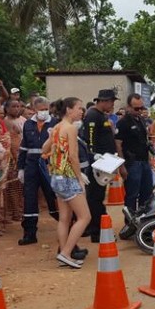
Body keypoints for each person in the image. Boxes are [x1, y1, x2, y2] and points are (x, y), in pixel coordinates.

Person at [43, 97, 91, 268]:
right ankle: (65, 252)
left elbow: (44, 149)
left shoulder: (56, 127)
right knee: (84, 217)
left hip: (56, 177)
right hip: (68, 177)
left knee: (64, 218)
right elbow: (73, 156)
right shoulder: (70, 128)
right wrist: (79, 177)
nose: (81, 111)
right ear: (69, 110)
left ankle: (65, 254)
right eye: (79, 108)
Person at [18, 96, 60, 245]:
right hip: (31, 166)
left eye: (46, 109)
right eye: (41, 109)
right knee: (29, 198)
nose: (43, 112)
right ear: (34, 109)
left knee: (53, 196)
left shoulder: (55, 123)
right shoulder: (28, 124)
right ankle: (29, 233)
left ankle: (67, 223)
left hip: (49, 166)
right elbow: (23, 148)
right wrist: (20, 168)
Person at [82, 89, 117, 242]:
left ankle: (96, 227)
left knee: (99, 196)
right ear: (104, 101)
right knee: (95, 197)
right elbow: (89, 140)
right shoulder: (92, 115)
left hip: (106, 161)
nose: (113, 104)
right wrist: (94, 156)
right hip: (97, 163)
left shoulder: (102, 115)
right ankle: (96, 230)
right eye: (111, 101)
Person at [115, 93, 153, 218]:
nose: (140, 111)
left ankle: (143, 220)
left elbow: (144, 141)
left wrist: (149, 159)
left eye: (142, 108)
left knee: (147, 193)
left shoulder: (141, 120)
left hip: (144, 162)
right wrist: (122, 166)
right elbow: (118, 145)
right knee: (132, 194)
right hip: (132, 163)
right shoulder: (123, 122)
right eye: (137, 109)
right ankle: (130, 222)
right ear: (128, 107)